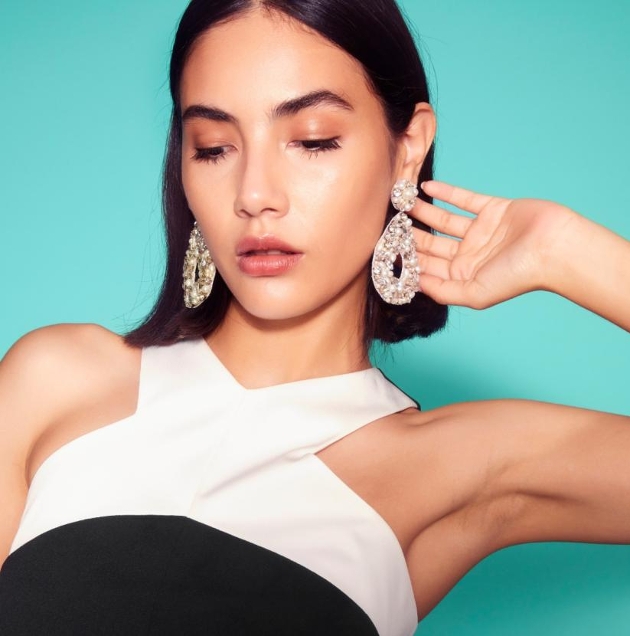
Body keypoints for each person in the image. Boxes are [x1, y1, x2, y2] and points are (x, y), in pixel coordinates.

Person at [0, 0, 629, 634]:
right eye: (214, 148)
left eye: (312, 141)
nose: (254, 196)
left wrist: (567, 252)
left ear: (407, 149)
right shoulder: (56, 381)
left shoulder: (455, 465)